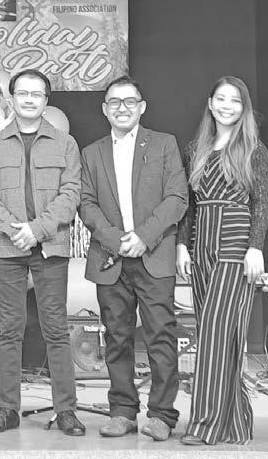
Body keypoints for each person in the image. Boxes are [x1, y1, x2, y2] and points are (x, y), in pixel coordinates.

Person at [0, 69, 85, 436]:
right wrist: (14, 230)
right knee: (8, 330)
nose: (29, 99)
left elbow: (71, 193)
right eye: (22, 93)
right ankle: (7, 410)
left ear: (46, 100)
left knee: (56, 329)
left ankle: (66, 410)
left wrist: (36, 230)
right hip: (6, 247)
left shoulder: (65, 143)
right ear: (11, 98)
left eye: (37, 94)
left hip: (50, 245)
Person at [78, 76, 188, 441]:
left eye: (129, 101)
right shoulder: (91, 153)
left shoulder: (164, 144)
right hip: (111, 258)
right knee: (116, 338)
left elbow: (177, 197)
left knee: (160, 337)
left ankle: (162, 414)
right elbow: (86, 203)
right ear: (104, 109)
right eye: (114, 102)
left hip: (153, 254)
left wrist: (143, 236)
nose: (122, 108)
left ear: (142, 107)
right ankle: (123, 411)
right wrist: (116, 240)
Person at [176, 76, 268, 446]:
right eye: (221, 98)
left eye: (235, 100)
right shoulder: (195, 149)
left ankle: (205, 424)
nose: (227, 105)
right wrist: (182, 246)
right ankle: (236, 422)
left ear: (243, 107)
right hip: (201, 245)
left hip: (235, 244)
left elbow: (261, 203)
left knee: (215, 334)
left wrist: (255, 247)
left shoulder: (254, 149)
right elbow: (188, 206)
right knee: (217, 336)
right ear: (210, 103)